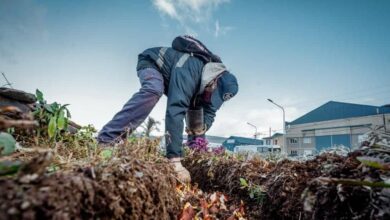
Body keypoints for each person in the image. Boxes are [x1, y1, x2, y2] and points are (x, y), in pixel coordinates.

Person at [97, 36, 238, 182]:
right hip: (152, 62)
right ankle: (107, 140)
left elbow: (210, 111)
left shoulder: (210, 90)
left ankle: (194, 155)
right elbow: (175, 111)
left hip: (182, 81)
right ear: (214, 80)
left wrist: (203, 127)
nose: (210, 97)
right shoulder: (191, 68)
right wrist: (175, 161)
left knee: (197, 119)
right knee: (154, 89)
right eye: (212, 92)